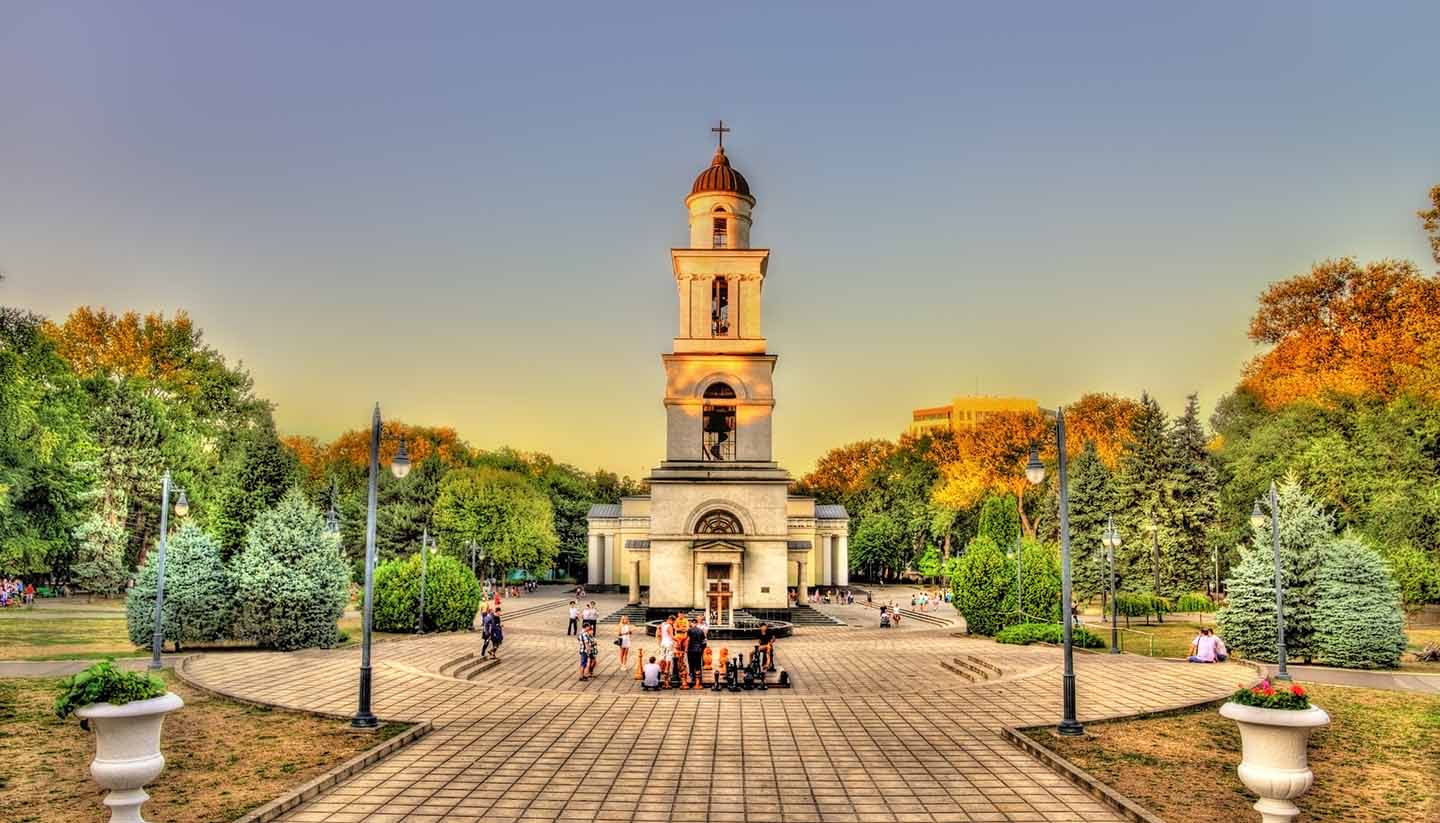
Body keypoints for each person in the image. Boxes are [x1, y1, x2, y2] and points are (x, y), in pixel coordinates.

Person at [686, 616, 707, 688]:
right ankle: (699, 677)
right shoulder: (700, 630)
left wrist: (686, 648)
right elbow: (704, 640)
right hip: (698, 649)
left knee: (691, 663)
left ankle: (692, 676)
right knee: (698, 663)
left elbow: (688, 640)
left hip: (691, 649)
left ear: (692, 623)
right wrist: (701, 647)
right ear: (697, 623)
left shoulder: (689, 630)